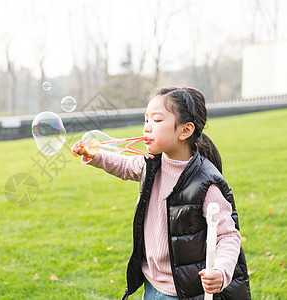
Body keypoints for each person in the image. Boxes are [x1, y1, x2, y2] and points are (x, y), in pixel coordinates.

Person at [71, 87, 251, 299]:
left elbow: (228, 235)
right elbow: (125, 165)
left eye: (156, 121)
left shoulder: (204, 183)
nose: (147, 127)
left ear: (185, 130)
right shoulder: (152, 164)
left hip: (184, 290)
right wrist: (94, 155)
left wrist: (221, 271)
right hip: (152, 283)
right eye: (146, 120)